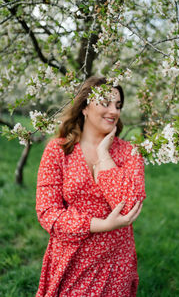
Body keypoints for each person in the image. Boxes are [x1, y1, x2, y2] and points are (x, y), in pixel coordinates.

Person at [36, 76, 146, 297]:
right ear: (85, 107)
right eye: (105, 103)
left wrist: (104, 156)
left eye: (118, 105)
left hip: (114, 260)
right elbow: (47, 213)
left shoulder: (129, 152)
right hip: (71, 256)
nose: (113, 111)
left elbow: (128, 208)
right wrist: (101, 224)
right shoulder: (58, 150)